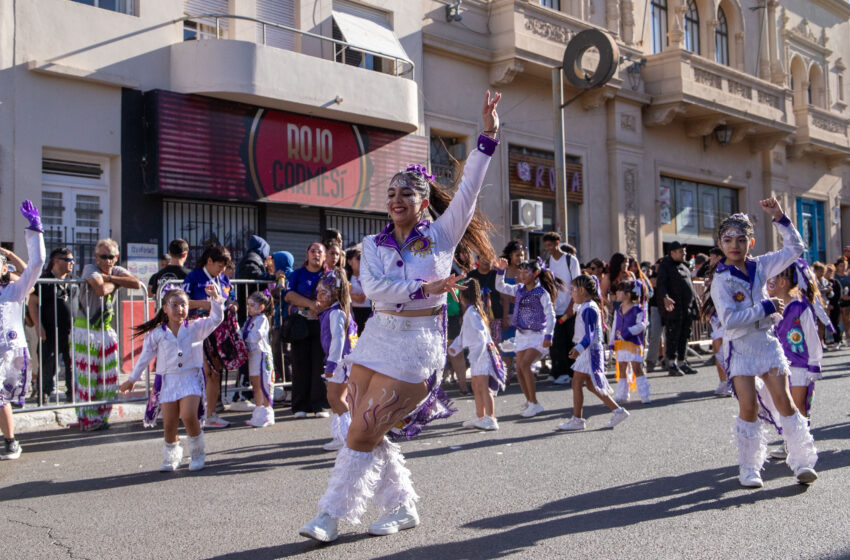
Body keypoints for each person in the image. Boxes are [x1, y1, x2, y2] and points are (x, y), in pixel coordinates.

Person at [299, 91, 500, 543]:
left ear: (424, 201)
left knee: (367, 427)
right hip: (376, 338)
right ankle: (404, 506)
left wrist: (488, 134)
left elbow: (469, 188)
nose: (395, 199)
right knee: (364, 424)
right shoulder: (371, 245)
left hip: (417, 344)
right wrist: (422, 288)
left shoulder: (442, 235)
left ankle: (331, 515)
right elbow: (373, 290)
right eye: (390, 193)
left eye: (405, 192)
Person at [709, 201, 817, 488]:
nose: (735, 245)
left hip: (767, 345)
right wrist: (765, 308)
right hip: (740, 349)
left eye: (741, 239)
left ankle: (803, 461)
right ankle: (749, 468)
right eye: (729, 240)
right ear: (720, 244)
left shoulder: (761, 265)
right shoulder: (720, 280)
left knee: (785, 401)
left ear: (750, 242)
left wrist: (780, 218)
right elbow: (730, 321)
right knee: (748, 407)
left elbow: (795, 250)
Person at [121, 285, 224, 471]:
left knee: (188, 415)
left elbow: (216, 318)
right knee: (169, 423)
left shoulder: (195, 328)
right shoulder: (157, 334)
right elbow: (144, 357)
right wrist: (132, 379)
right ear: (165, 308)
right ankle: (171, 457)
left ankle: (197, 453)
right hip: (168, 381)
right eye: (174, 305)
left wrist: (216, 299)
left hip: (190, 379)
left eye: (183, 305)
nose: (180, 309)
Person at [75, 238, 144, 431]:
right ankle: (87, 420)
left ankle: (102, 417)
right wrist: (117, 284)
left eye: (111, 256)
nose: (107, 261)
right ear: (96, 256)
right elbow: (100, 289)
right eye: (103, 256)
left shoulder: (116, 271)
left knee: (107, 378)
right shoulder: (90, 268)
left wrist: (112, 279)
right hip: (86, 330)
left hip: (104, 331)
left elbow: (136, 283)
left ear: (116, 257)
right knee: (87, 378)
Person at [761, 261, 823, 460]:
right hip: (778, 365)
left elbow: (812, 336)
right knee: (784, 407)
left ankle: (802, 448)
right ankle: (790, 444)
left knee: (799, 407)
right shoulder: (770, 307)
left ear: (784, 282)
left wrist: (815, 363)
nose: (770, 281)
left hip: (800, 366)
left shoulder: (799, 306)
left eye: (774, 278)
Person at [0, 202, 45, 459]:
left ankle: (10, 441)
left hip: (8, 353)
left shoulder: (14, 291)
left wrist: (34, 230)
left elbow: (36, 264)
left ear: (4, 269)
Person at [556, 274, 629, 431]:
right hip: (590, 350)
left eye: (573, 290)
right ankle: (617, 410)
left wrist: (578, 348)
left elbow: (590, 335)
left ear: (582, 290)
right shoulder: (587, 306)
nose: (571, 293)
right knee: (591, 385)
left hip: (589, 351)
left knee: (576, 383)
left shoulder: (589, 308)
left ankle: (577, 419)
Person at [495, 257, 556, 418]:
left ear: (535, 273)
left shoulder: (542, 293)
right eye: (520, 271)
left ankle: (535, 403)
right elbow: (500, 286)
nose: (522, 275)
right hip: (521, 334)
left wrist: (549, 335)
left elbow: (551, 315)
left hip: (537, 335)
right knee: (519, 368)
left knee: (524, 364)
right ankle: (530, 402)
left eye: (526, 272)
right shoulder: (519, 289)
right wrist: (501, 271)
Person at [182, 244, 234, 429]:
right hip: (196, 330)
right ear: (209, 261)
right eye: (220, 265)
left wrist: (231, 306)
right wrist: (204, 304)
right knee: (201, 371)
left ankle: (210, 413)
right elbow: (182, 301)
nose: (222, 270)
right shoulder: (193, 277)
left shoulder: (224, 280)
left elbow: (230, 298)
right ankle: (193, 413)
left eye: (225, 266)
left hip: (218, 332)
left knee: (215, 372)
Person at [450, 278, 506, 431]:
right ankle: (480, 416)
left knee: (483, 386)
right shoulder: (471, 311)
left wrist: (475, 355)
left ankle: (491, 418)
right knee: (476, 385)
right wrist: (456, 347)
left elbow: (481, 337)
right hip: (477, 355)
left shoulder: (472, 312)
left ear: (462, 296)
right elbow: (463, 335)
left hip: (481, 355)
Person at [285, 242, 329, 419]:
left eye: (320, 252)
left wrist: (321, 307)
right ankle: (300, 406)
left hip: (322, 324)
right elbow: (289, 295)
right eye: (313, 251)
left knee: (319, 365)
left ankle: (319, 404)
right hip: (301, 325)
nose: (316, 254)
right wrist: (311, 304)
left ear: (324, 256)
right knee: (300, 364)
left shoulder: (329, 276)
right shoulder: (297, 274)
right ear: (307, 254)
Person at [28, 247, 76, 404]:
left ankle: (72, 394)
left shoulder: (73, 280)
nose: (72, 263)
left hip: (70, 331)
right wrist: (38, 325)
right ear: (56, 261)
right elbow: (33, 303)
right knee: (48, 364)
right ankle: (44, 394)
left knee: (71, 364)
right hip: (49, 331)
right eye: (68, 260)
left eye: (72, 260)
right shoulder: (45, 280)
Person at [317, 269, 358, 451]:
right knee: (336, 398)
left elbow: (338, 340)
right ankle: (341, 435)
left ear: (334, 293)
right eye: (318, 291)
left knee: (335, 398)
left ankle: (348, 436)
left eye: (323, 292)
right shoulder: (335, 312)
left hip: (340, 362)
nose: (319, 295)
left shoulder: (337, 313)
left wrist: (332, 364)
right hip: (341, 361)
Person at [543, 233, 581, 385]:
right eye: (546, 246)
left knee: (571, 340)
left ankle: (573, 373)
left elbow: (577, 283)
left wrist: (571, 307)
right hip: (555, 309)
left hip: (571, 308)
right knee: (557, 341)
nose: (549, 249)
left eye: (550, 245)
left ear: (557, 243)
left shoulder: (570, 260)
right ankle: (559, 371)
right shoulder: (548, 261)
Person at [656, 241, 699, 376]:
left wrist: (696, 301)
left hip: (686, 308)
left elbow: (690, 286)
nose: (684, 253)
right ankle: (671, 363)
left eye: (684, 251)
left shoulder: (684, 266)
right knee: (673, 336)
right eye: (681, 251)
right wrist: (665, 297)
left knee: (684, 336)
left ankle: (682, 361)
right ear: (672, 252)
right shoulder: (665, 266)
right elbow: (661, 285)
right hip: (674, 308)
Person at [611, 280, 650, 404]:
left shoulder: (638, 310)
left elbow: (642, 325)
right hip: (621, 344)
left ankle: (644, 394)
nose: (617, 293)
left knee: (636, 368)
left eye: (620, 290)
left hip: (633, 343)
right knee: (622, 368)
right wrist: (612, 342)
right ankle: (622, 394)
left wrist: (627, 332)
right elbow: (614, 327)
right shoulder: (618, 309)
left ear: (628, 294)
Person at [242, 290, 275, 428]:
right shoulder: (249, 321)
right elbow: (243, 334)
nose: (249, 307)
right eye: (248, 304)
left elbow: (256, 336)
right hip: (253, 355)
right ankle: (259, 412)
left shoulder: (262, 319)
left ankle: (267, 413)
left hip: (262, 355)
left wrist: (246, 340)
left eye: (252, 304)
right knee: (256, 384)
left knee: (264, 384)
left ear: (261, 307)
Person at [498, 239, 525, 386]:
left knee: (522, 344)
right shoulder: (506, 271)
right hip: (507, 310)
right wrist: (505, 316)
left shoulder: (525, 271)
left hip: (523, 312)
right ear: (510, 256)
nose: (519, 258)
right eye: (517, 255)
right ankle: (506, 375)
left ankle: (522, 374)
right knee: (507, 344)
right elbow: (503, 294)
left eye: (521, 255)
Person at [270, 251, 294, 400]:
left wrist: (280, 280)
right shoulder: (279, 275)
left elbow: (281, 293)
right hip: (279, 319)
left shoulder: (290, 275)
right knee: (277, 352)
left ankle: (291, 388)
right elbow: (275, 294)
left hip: (287, 319)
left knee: (284, 353)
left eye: (274, 261)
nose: (271, 264)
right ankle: (286, 388)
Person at [466, 258, 503, 347]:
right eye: (483, 258)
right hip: (476, 316)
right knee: (478, 345)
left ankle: (495, 361)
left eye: (488, 258)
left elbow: (503, 296)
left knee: (495, 346)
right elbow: (466, 297)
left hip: (495, 316)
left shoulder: (496, 274)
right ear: (478, 260)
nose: (485, 260)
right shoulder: (471, 275)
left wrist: (505, 316)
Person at [701, 291, 732, 397]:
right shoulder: (712, 290)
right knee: (719, 352)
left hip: (732, 322)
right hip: (717, 323)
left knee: (730, 354)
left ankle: (732, 381)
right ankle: (724, 382)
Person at [346, 246, 371, 335]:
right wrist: (352, 296)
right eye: (359, 258)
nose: (362, 261)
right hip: (352, 313)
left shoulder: (369, 277)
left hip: (368, 313)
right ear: (349, 262)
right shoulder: (345, 277)